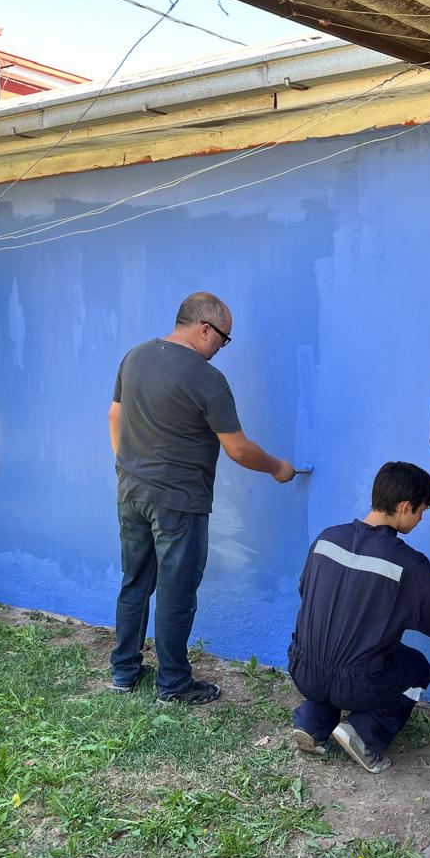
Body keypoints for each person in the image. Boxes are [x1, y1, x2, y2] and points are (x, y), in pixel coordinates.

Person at [109, 292, 297, 706]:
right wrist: (278, 467)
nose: (221, 349)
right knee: (176, 592)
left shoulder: (135, 356)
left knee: (135, 582)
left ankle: (124, 671)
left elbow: (114, 416)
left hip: (131, 492)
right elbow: (239, 450)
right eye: (223, 339)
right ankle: (173, 684)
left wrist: (125, 466)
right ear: (204, 328)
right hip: (179, 501)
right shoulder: (206, 378)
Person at [288, 461, 430, 774]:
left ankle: (312, 722)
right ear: (405, 507)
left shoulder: (326, 539)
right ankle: (363, 733)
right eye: (421, 511)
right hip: (355, 684)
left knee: (338, 654)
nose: (420, 519)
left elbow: (305, 591)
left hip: (301, 667)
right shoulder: (407, 564)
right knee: (417, 668)